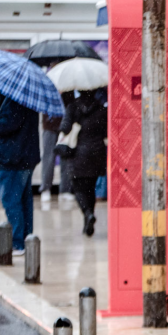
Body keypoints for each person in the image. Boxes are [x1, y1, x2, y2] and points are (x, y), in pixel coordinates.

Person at [0, 92, 40, 254]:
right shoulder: (28, 98)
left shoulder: (14, 100)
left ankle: (17, 242)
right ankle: (26, 239)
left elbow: (9, 124)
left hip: (13, 158)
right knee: (24, 200)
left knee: (11, 200)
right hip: (25, 156)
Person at [59, 89, 107, 236]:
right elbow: (106, 131)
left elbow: (64, 128)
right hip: (97, 153)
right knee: (91, 187)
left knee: (78, 187)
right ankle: (89, 217)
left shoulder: (73, 107)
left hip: (77, 153)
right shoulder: (101, 108)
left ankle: (87, 213)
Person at [39, 108, 63, 202]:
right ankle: (45, 188)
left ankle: (65, 189)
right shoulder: (47, 93)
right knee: (48, 158)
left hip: (65, 122)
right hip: (49, 125)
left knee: (66, 155)